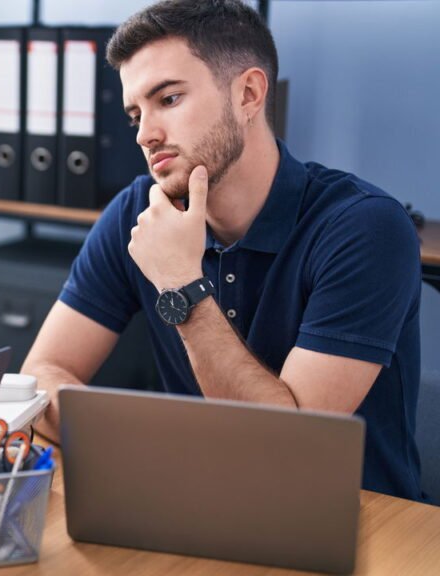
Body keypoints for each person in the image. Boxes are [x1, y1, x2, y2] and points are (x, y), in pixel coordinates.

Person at [23, 0, 424, 501]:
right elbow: (38, 376)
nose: (145, 134)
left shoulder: (365, 228)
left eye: (168, 99)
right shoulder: (136, 215)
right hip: (196, 503)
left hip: (355, 518)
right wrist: (135, 446)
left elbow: (286, 449)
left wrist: (181, 285)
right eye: (136, 115)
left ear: (248, 94)